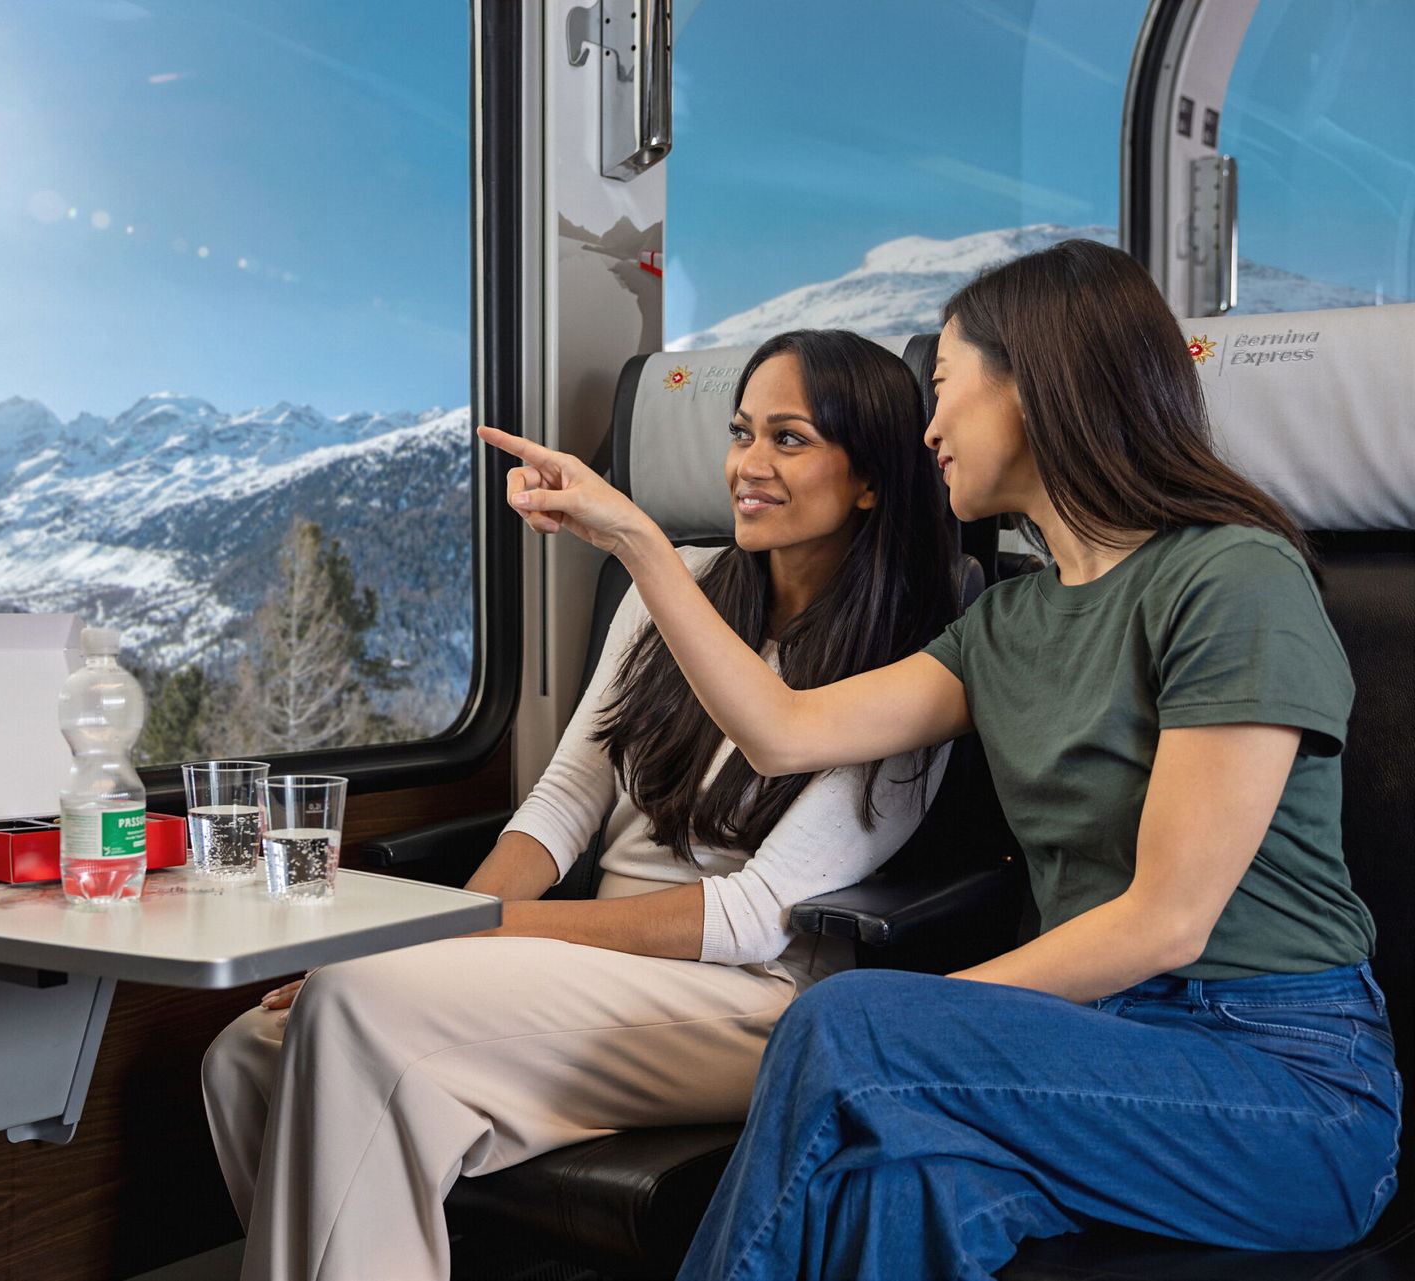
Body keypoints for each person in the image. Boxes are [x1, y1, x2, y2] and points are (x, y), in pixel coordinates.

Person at [484, 239, 1397, 1281]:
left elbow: (1167, 919)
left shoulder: (1233, 579)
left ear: (1037, 393)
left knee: (851, 1022)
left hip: (1281, 1084)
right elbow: (782, 728)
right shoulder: (1004, 622)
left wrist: (936, 1025)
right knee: (890, 1191)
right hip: (1086, 1052)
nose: (928, 429)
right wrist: (640, 547)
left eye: (948, 388)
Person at [202, 329, 959, 1281]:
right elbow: (563, 800)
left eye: (790, 439)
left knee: (354, 1002)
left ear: (871, 480)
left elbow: (749, 915)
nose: (747, 466)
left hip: (755, 998)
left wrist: (465, 936)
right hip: (589, 963)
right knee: (248, 1052)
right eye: (740, 432)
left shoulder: (914, 664)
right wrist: (454, 926)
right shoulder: (674, 589)